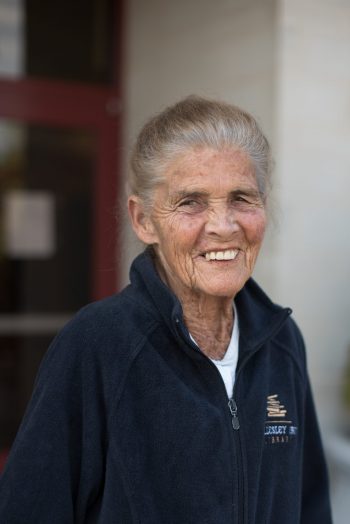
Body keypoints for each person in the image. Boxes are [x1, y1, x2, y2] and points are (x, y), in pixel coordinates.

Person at [0, 96, 332, 523]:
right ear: (143, 221)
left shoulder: (282, 342)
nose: (223, 225)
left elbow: (311, 507)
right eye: (191, 202)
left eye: (241, 198)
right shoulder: (98, 345)